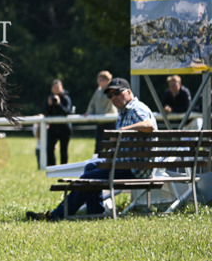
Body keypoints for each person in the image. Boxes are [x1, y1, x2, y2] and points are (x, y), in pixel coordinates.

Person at [27, 77, 157, 221]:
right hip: (127, 165)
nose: (114, 97)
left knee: (88, 177)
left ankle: (57, 215)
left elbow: (149, 125)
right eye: (110, 95)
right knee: (90, 167)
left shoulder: (135, 109)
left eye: (117, 93)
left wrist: (122, 131)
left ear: (129, 92)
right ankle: (95, 213)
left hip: (135, 170)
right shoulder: (123, 112)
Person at [84, 71, 117, 154]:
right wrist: (88, 112)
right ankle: (97, 161)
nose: (98, 82)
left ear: (107, 80)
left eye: (101, 80)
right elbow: (92, 104)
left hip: (110, 122)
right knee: (98, 146)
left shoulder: (112, 91)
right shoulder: (98, 91)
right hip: (100, 122)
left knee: (110, 146)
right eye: (98, 80)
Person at [43, 79, 73, 166]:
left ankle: (64, 168)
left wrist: (59, 104)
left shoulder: (66, 98)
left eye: (57, 87)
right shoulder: (49, 98)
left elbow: (67, 112)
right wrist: (49, 105)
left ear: (62, 87)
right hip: (53, 128)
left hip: (65, 128)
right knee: (49, 149)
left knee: (63, 150)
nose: (56, 89)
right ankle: (52, 168)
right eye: (54, 87)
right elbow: (45, 113)